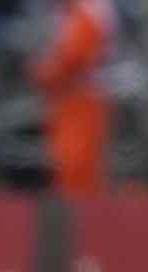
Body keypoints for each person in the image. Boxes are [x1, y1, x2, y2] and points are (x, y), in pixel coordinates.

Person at [29, 0, 114, 195]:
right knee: (63, 163)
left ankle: (79, 218)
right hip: (67, 99)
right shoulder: (68, 13)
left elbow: (73, 58)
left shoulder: (88, 12)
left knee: (76, 165)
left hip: (81, 98)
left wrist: (45, 71)